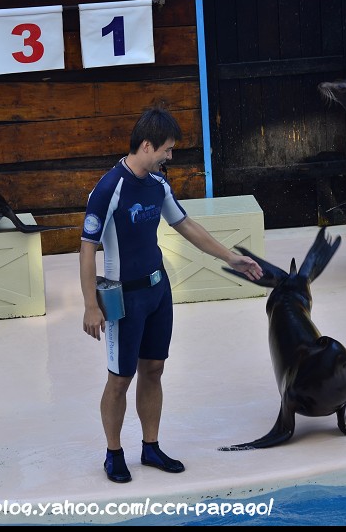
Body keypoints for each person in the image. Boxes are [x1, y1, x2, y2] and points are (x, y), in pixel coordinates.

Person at [79, 107, 263, 483]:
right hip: (123, 299)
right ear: (146, 145)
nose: (169, 157)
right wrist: (88, 305)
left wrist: (232, 258)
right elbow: (86, 248)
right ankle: (114, 453)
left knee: (154, 368)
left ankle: (150, 446)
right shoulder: (109, 188)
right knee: (119, 378)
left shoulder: (158, 185)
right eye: (166, 149)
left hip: (158, 292)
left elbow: (187, 225)